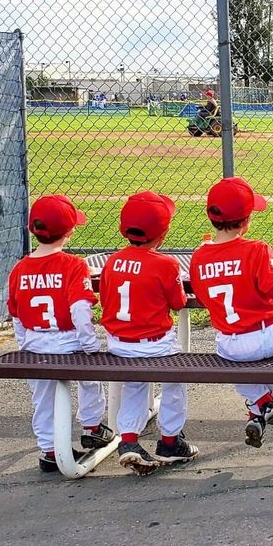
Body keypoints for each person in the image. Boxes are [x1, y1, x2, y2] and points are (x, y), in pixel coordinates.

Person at [6, 195, 113, 472]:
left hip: (35, 345)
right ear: (69, 231)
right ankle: (91, 426)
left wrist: (25, 344)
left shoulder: (19, 269)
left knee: (43, 400)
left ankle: (49, 451)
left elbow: (16, 315)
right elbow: (79, 310)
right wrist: (90, 344)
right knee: (90, 382)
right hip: (69, 344)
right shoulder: (73, 265)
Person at [99, 191, 197, 474]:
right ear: (163, 233)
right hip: (155, 345)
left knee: (135, 384)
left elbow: (107, 300)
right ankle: (169, 442)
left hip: (118, 344)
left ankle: (129, 440)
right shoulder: (166, 264)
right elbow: (178, 303)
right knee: (174, 381)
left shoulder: (111, 261)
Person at [189, 177, 273, 448]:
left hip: (231, 342)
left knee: (234, 360)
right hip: (269, 336)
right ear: (246, 222)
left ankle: (259, 407)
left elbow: (202, 298)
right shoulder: (257, 249)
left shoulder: (199, 256)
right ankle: (262, 404)